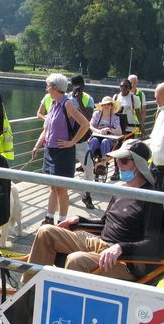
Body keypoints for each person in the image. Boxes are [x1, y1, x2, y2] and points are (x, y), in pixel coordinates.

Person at [24, 139, 162, 283]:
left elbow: (152, 243)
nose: (119, 165)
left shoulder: (151, 197)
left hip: (123, 260)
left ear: (139, 165)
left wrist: (120, 248)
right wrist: (81, 220)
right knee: (46, 231)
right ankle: (28, 292)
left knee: (76, 260)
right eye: (117, 161)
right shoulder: (121, 190)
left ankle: (64, 304)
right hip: (100, 244)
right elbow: (105, 222)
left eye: (124, 161)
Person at [31, 73, 90, 225]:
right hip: (50, 151)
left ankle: (62, 221)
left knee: (61, 189)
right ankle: (49, 217)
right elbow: (46, 129)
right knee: (53, 187)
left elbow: (85, 124)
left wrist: (72, 142)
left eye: (48, 85)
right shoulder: (53, 104)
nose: (46, 88)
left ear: (55, 88)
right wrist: (37, 145)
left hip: (63, 152)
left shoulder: (67, 104)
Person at [67, 75, 96, 209]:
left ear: (84, 86)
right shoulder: (66, 98)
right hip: (68, 141)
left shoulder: (88, 99)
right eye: (76, 86)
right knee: (67, 170)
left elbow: (88, 119)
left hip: (82, 141)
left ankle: (87, 195)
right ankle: (64, 193)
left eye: (81, 86)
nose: (78, 89)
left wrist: (79, 101)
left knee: (89, 168)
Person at [88, 96, 122, 160]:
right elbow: (90, 126)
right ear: (102, 106)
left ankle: (103, 162)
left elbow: (119, 132)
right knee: (94, 140)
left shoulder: (115, 118)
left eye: (108, 104)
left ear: (111, 106)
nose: (106, 106)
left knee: (105, 141)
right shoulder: (96, 114)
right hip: (97, 137)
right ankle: (87, 160)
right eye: (104, 104)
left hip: (110, 140)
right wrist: (99, 131)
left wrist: (109, 129)